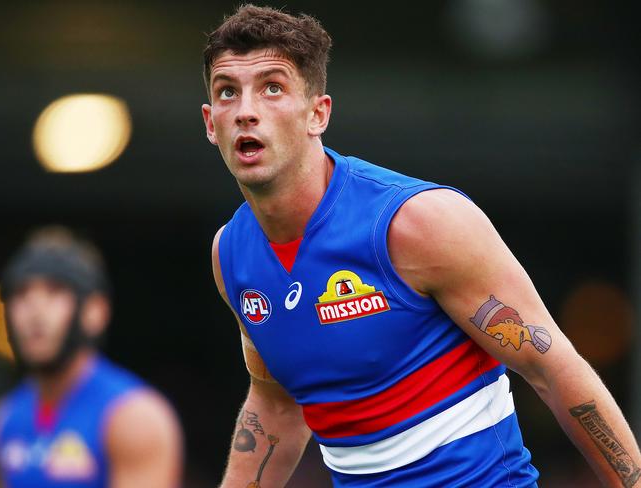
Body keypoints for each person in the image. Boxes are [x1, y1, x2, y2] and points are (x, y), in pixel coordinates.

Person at [202, 4, 641, 487]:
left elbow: (551, 367)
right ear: (210, 123)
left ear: (317, 114)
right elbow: (276, 401)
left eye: (272, 88)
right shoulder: (232, 255)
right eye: (228, 92)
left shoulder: (417, 221)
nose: (245, 111)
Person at [0, 227, 183, 488]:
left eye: (55, 292)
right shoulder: (5, 418)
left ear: (96, 311)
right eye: (21, 294)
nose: (35, 311)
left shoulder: (134, 417)